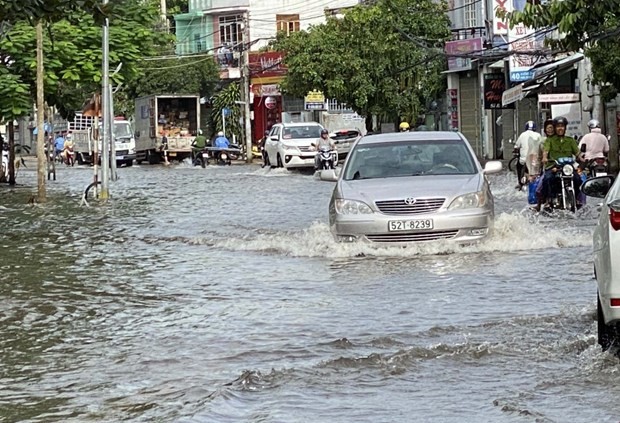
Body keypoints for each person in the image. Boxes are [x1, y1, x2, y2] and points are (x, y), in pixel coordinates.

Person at [536, 116, 581, 211]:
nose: (560, 128)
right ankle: (548, 200)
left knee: (578, 179)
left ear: (565, 128)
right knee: (547, 179)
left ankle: (576, 199)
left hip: (567, 168)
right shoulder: (550, 140)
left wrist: (583, 158)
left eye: (562, 126)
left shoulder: (570, 140)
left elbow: (577, 153)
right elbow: (545, 151)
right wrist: (544, 158)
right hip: (553, 167)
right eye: (558, 126)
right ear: (555, 128)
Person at [513, 120, 542, 189]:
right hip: (535, 160)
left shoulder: (522, 135)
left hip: (524, 160)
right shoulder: (538, 135)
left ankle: (520, 183)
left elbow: (516, 146)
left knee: (518, 166)